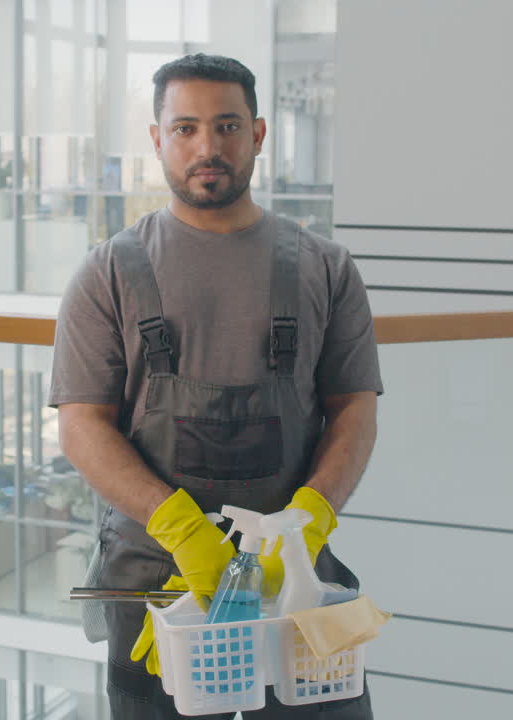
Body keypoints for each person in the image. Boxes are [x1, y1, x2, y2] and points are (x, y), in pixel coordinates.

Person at [50, 53, 382, 719]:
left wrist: (309, 524)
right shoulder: (106, 274)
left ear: (258, 134)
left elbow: (355, 410)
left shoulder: (327, 268)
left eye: (227, 125)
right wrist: (179, 528)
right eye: (186, 128)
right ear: (157, 139)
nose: (208, 147)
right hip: (155, 589)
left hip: (294, 585)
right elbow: (82, 424)